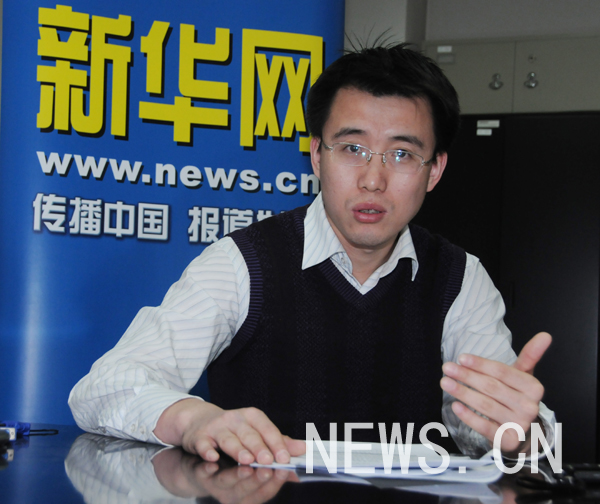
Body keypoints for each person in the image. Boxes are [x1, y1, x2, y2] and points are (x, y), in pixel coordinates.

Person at [69, 43, 555, 466]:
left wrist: (521, 434)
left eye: (402, 154)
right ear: (316, 155)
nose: (373, 179)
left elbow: (493, 431)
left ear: (435, 170)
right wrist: (191, 417)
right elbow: (104, 386)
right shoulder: (242, 264)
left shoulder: (460, 278)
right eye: (352, 149)